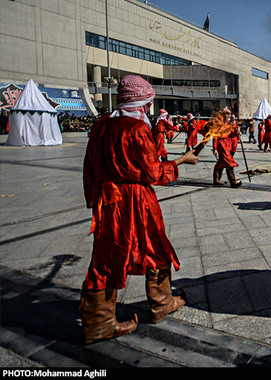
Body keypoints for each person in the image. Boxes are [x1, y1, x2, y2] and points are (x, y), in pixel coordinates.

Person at [80, 75, 199, 344]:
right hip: (136, 200)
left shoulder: (100, 126)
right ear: (141, 103)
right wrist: (182, 159)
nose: (147, 109)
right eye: (147, 104)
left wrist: (94, 199)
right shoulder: (136, 129)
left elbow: (89, 167)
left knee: (106, 256)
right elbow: (154, 172)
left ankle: (98, 322)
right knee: (156, 247)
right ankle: (160, 304)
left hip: (108, 200)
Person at [212, 112, 242, 188]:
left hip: (227, 145)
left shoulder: (228, 124)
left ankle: (216, 179)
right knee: (229, 162)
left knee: (221, 162)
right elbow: (215, 138)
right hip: (222, 145)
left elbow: (232, 133)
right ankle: (232, 181)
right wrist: (215, 148)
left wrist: (237, 131)